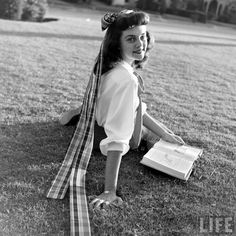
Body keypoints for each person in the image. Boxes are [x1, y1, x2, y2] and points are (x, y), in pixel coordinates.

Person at [59, 10, 185, 209]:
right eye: (131, 39)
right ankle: (80, 114)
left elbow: (136, 108)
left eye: (143, 36)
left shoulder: (114, 65)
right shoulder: (125, 79)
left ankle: (81, 112)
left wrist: (165, 133)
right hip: (100, 134)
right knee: (138, 140)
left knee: (142, 133)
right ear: (117, 43)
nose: (140, 43)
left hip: (101, 119)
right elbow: (117, 138)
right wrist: (110, 190)